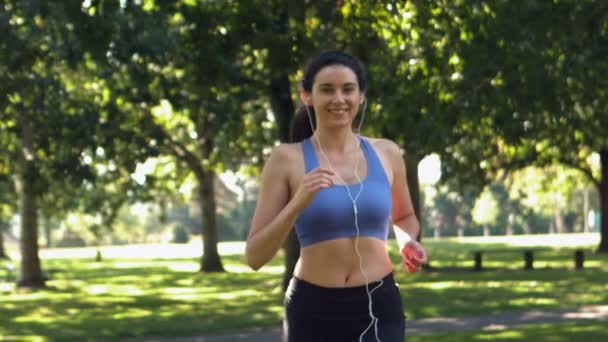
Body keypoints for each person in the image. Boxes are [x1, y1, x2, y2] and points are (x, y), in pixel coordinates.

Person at [245, 50, 427, 342]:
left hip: (380, 305)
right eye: (327, 89)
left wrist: (407, 242)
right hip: (313, 309)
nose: (338, 99)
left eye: (348, 89)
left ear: (361, 96)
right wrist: (298, 202)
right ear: (307, 96)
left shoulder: (387, 153)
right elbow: (254, 257)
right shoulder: (286, 159)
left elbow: (404, 216)